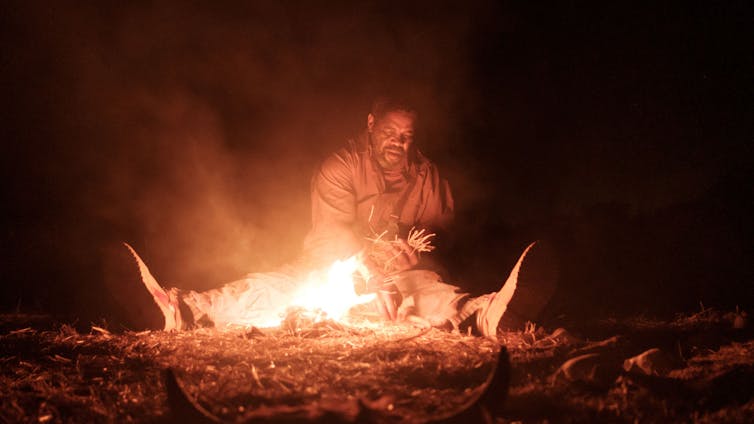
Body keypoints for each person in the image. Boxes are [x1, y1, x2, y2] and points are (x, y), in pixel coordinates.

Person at [127, 97, 557, 336]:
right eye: (389, 131)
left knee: (429, 289)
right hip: (328, 270)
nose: (398, 142)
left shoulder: (430, 179)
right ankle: (182, 309)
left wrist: (414, 258)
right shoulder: (341, 167)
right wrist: (367, 268)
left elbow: (439, 239)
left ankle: (486, 314)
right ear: (370, 124)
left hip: (398, 283)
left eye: (407, 136)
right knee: (275, 286)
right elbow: (332, 236)